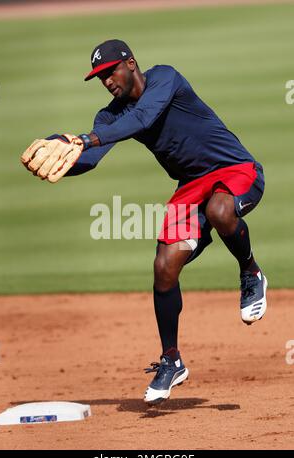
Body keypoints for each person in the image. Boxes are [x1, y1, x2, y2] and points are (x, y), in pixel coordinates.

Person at [21, 39, 267, 406]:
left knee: (220, 210)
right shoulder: (109, 117)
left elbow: (143, 118)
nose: (106, 81)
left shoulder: (165, 79)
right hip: (190, 190)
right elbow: (90, 159)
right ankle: (172, 360)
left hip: (235, 170)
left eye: (109, 72)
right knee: (164, 267)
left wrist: (84, 139)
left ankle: (250, 273)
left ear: (131, 64)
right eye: (99, 78)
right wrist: (61, 154)